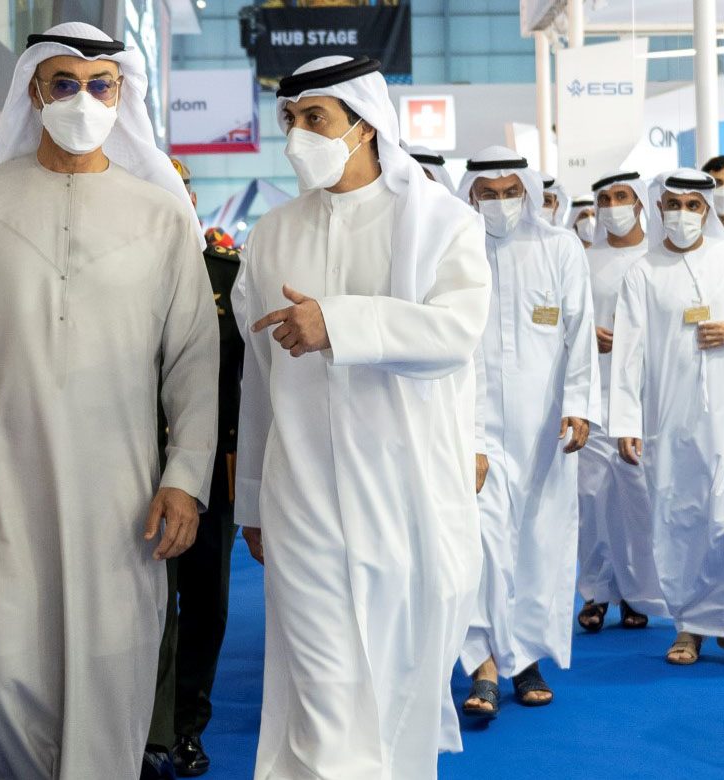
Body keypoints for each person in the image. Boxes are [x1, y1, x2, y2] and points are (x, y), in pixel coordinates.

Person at [0, 22, 218, 779]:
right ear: (34, 91)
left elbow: (194, 362)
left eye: (100, 84)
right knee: (2, 680)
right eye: (63, 82)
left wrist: (185, 478)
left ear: (121, 94)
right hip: (3, 483)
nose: (83, 98)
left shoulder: (162, 215)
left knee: (110, 683)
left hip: (122, 495)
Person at [233, 56, 489, 780]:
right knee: (323, 696)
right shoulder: (272, 234)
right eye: (289, 120)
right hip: (304, 495)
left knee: (399, 696)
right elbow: (259, 379)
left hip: (408, 495)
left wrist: (338, 325)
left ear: (367, 127)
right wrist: (252, 495)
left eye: (316, 119)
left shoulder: (443, 223)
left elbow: (457, 334)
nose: (297, 136)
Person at [457, 146, 599, 717]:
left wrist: (581, 404)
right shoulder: (455, 247)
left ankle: (527, 655)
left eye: (508, 191)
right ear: (468, 194)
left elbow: (579, 330)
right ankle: (483, 662)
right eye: (486, 193)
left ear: (528, 190)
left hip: (545, 428)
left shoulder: (559, 247)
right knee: (481, 541)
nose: (498, 203)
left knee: (541, 540)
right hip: (474, 426)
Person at [609, 168, 724, 669]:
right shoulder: (643, 272)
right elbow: (628, 352)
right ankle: (689, 624)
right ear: (657, 209)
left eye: (692, 206)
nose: (682, 215)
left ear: (706, 209)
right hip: (667, 418)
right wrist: (626, 421)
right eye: (671, 205)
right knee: (677, 517)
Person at [141, 158, 242, 780]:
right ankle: (139, 725)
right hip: (127, 462)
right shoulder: (117, 268)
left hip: (208, 466)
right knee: (135, 603)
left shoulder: (226, 274)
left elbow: (243, 380)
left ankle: (185, 725)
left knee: (204, 600)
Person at [574, 170, 667, 634]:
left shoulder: (659, 258)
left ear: (639, 203)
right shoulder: (581, 259)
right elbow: (563, 320)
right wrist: (586, 337)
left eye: (621, 196)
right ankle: (596, 592)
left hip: (643, 398)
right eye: (605, 197)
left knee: (637, 499)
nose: (612, 205)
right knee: (591, 499)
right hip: (592, 396)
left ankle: (636, 591)